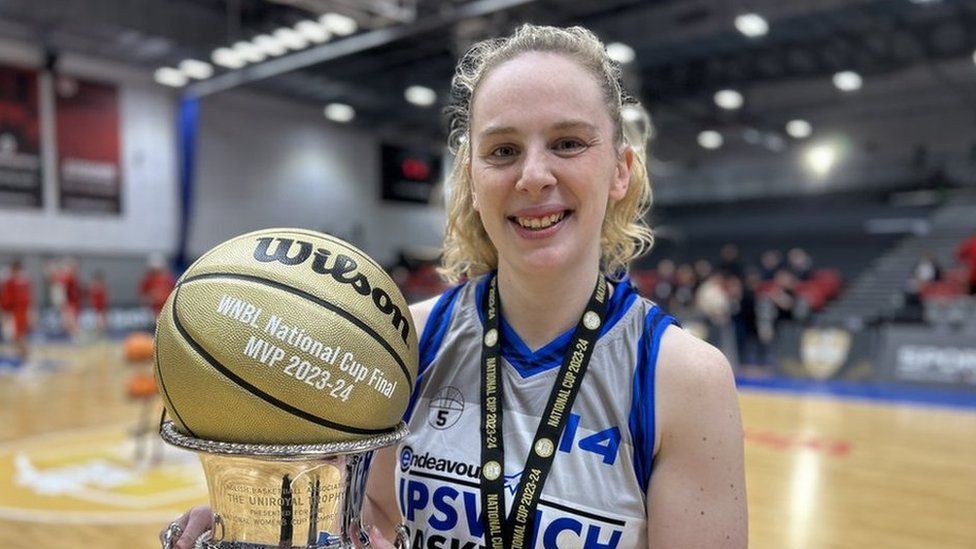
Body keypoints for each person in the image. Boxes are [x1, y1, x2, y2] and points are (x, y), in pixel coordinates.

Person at [164, 24, 746, 548]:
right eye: (503, 151)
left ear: (620, 169)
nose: (534, 175)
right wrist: (264, 528)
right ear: (470, 177)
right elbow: (374, 522)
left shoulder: (683, 379)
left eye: (568, 143)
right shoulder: (401, 340)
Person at [1, 259, 32, 361]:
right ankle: (22, 355)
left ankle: (23, 357)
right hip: (22, 312)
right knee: (19, 336)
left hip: (14, 312)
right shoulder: (24, 281)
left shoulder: (11, 281)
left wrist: (3, 312)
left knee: (16, 336)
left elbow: (6, 299)